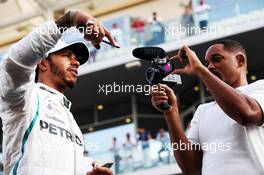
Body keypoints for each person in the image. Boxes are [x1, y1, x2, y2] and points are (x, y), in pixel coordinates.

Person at [0, 10, 119, 175]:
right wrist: (69, 20)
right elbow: (13, 64)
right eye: (66, 55)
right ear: (42, 63)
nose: (76, 62)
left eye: (76, 58)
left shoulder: (70, 120)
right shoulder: (24, 97)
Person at [151, 40, 264, 174]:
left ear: (240, 60)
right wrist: (171, 112)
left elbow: (248, 114)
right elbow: (190, 167)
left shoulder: (259, 88)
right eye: (206, 64)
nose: (209, 67)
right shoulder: (202, 111)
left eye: (216, 59)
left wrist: (200, 69)